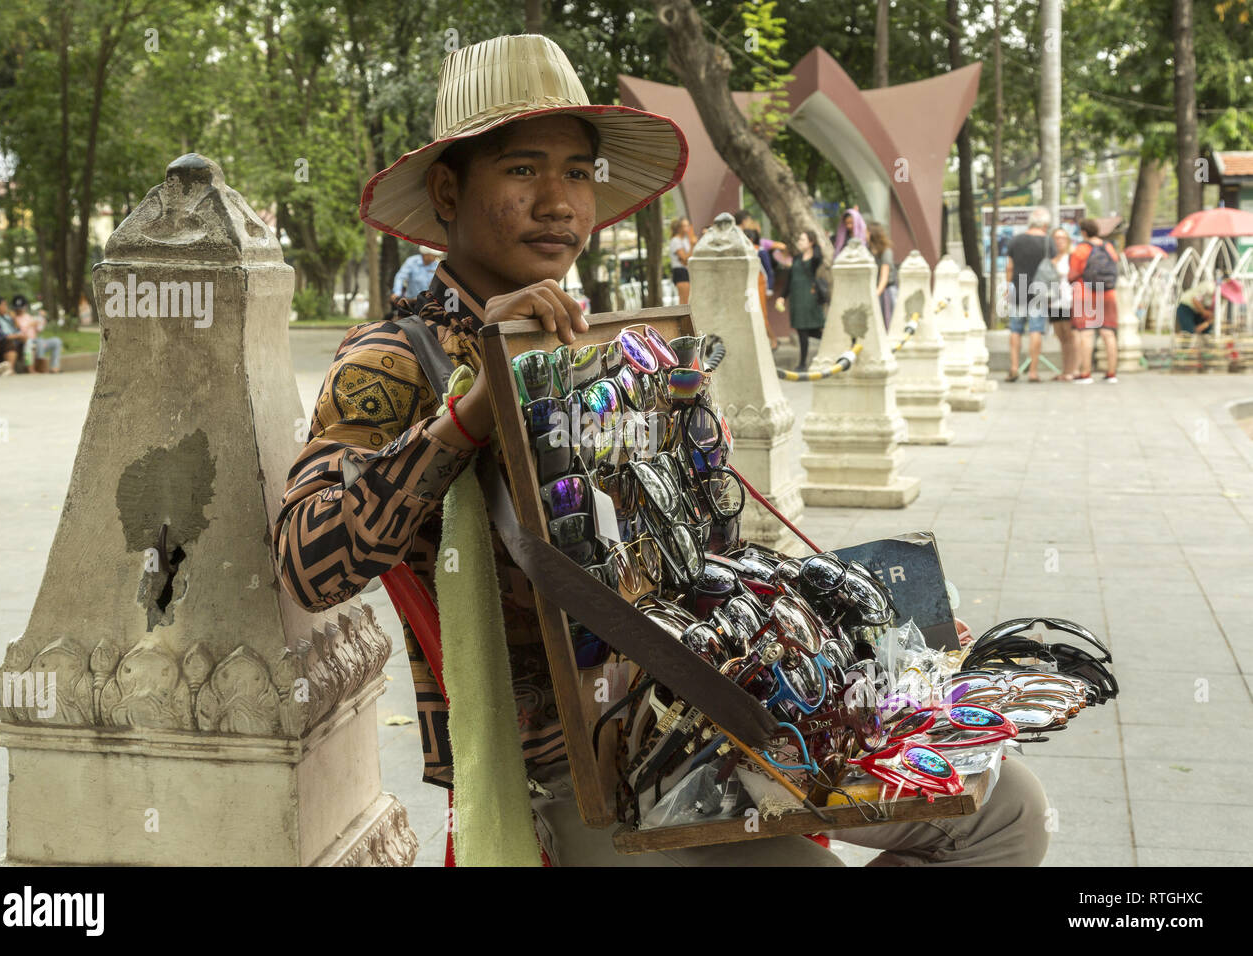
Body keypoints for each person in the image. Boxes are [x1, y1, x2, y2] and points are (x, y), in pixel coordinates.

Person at [273, 33, 1048, 868]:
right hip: (579, 768)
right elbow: (306, 563)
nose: (560, 202)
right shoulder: (394, 361)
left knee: (1006, 810)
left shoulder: (610, 348)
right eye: (525, 170)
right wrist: (469, 413)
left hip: (711, 705)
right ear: (449, 190)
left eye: (577, 173)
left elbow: (697, 550)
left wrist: (869, 633)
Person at [1068, 219, 1120, 384]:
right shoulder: (1109, 247)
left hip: (1086, 293)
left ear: (1083, 232)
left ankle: (1086, 374)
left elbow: (1073, 273)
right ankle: (1111, 373)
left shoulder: (1081, 249)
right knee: (1108, 333)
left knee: (1086, 333)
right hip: (1108, 293)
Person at [1004, 207, 1052, 382]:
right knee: (1036, 330)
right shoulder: (1048, 242)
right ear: (1045, 224)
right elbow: (1052, 268)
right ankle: (1033, 371)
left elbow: (1009, 267)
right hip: (1040, 289)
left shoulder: (1016, 241)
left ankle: (1014, 367)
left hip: (1018, 287)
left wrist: (1007, 287)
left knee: (1015, 330)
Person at [775, 230, 827, 371]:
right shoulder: (796, 258)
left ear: (811, 242)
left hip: (809, 298)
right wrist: (782, 297)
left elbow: (819, 256)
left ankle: (803, 363)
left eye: (803, 240)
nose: (800, 242)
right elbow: (789, 280)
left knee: (808, 329)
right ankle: (804, 362)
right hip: (797, 298)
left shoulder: (816, 258)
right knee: (802, 330)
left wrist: (815, 246)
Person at [1047, 228, 1077, 381]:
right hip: (1053, 302)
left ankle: (1072, 370)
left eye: (1062, 238)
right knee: (1061, 336)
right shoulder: (1049, 259)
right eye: (1056, 238)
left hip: (1068, 300)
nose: (1059, 241)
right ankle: (1065, 370)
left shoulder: (1071, 257)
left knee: (1069, 336)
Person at [742, 227, 777, 350]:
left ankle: (773, 340)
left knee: (761, 315)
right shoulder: (744, 253)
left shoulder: (760, 251)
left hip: (760, 286)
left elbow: (768, 271)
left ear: (751, 239)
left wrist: (769, 289)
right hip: (749, 288)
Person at [11, 295, 63, 373]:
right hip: (26, 342)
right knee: (39, 342)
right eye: (18, 308)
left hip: (37, 340)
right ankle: (40, 367)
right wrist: (30, 325)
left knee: (56, 341)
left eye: (21, 308)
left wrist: (42, 320)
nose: (20, 310)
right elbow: (19, 332)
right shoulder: (14, 319)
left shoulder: (29, 316)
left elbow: (39, 329)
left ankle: (54, 367)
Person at [390, 246, 442, 316]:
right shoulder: (412, 262)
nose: (435, 257)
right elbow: (400, 277)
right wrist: (397, 292)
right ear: (426, 254)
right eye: (434, 255)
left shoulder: (436, 265)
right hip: (411, 302)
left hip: (428, 304)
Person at [868, 222, 897, 331]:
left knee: (887, 322)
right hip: (877, 290)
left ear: (871, 234)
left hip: (886, 291)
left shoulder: (886, 251)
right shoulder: (869, 251)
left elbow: (884, 278)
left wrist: (875, 294)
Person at [669, 217, 693, 304]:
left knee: (688, 300)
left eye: (688, 225)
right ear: (679, 228)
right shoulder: (676, 240)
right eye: (684, 226)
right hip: (680, 271)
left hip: (686, 271)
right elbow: (685, 260)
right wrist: (693, 245)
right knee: (684, 301)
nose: (687, 228)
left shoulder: (685, 240)